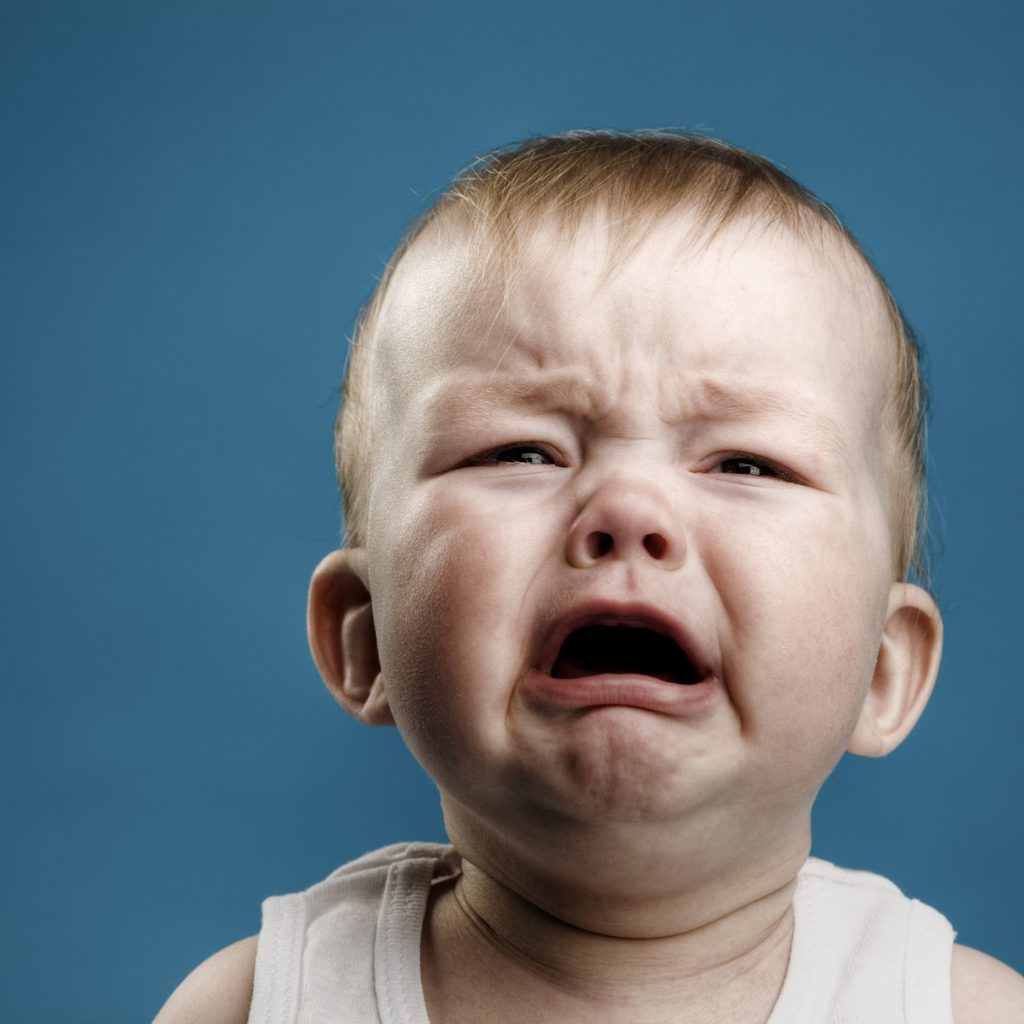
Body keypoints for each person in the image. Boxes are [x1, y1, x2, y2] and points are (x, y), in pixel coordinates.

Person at [155, 131, 1024, 1023]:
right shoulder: (258, 1005)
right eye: (520, 451)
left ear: (883, 668)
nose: (628, 510)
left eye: (746, 465)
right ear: (366, 633)